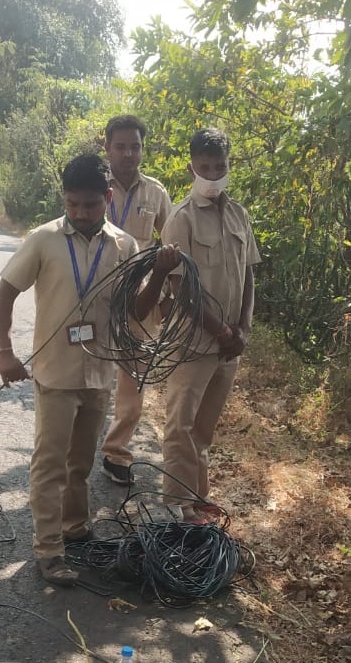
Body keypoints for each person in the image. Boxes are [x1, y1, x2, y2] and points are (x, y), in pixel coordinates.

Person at [0, 153, 179, 586]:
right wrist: (5, 352)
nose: (80, 213)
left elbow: (135, 310)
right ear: (64, 199)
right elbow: (4, 293)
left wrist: (159, 274)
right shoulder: (43, 240)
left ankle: (75, 528)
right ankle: (48, 549)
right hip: (55, 374)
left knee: (81, 461)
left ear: (108, 199)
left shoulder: (124, 247)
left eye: (90, 205)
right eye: (72, 204)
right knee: (50, 463)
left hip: (99, 372)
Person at [135, 128, 260, 520]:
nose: (212, 174)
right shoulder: (180, 220)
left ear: (228, 166)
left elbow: (250, 275)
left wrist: (243, 329)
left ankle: (198, 498)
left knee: (204, 431)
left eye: (219, 167)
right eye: (204, 167)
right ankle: (178, 508)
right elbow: (181, 290)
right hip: (193, 345)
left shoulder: (239, 214)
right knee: (180, 428)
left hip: (229, 348)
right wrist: (221, 331)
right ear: (192, 167)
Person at [98, 115, 174, 486]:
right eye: (121, 146)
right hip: (96, 294)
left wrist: (171, 293)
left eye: (135, 146)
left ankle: (116, 452)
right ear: (107, 147)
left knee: (134, 378)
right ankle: (80, 443)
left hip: (142, 299)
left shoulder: (156, 193)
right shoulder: (94, 184)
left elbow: (174, 245)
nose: (129, 153)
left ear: (143, 149)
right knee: (90, 372)